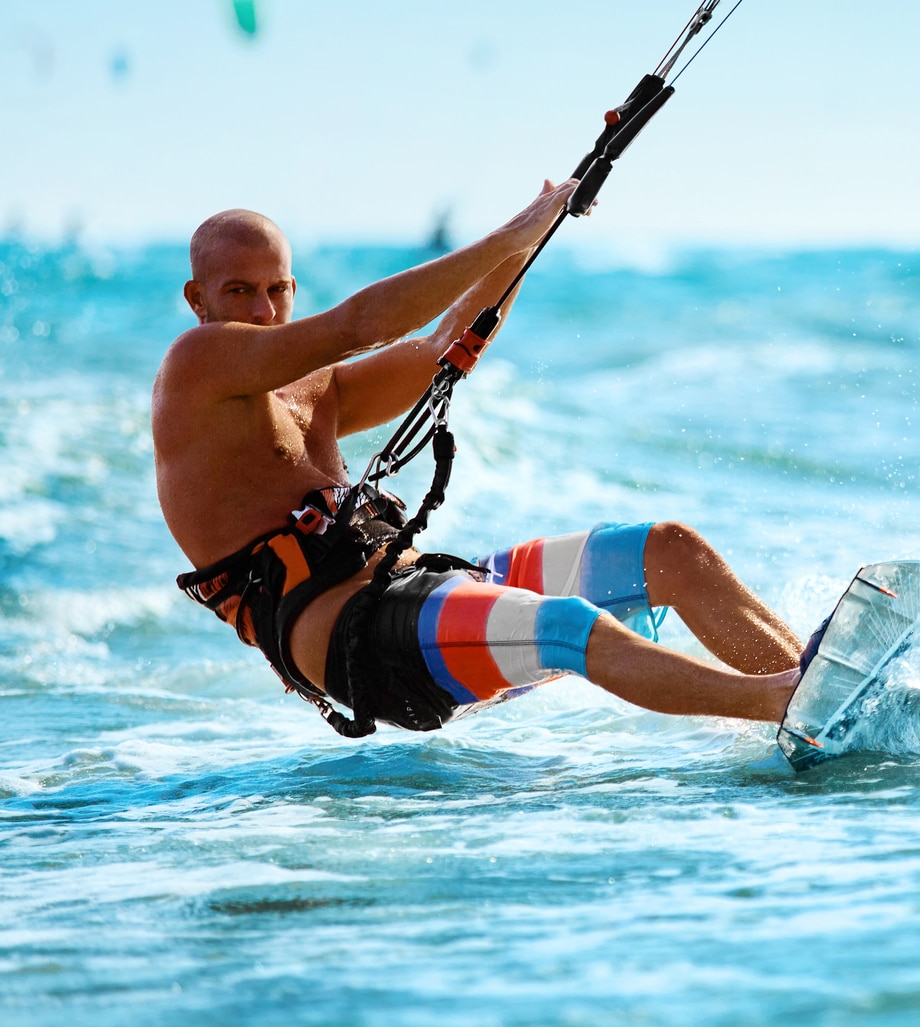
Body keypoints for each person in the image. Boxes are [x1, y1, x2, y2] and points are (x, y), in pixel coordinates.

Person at [152, 179, 803, 736]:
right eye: (239, 291)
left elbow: (445, 343)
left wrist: (539, 229)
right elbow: (360, 325)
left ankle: (814, 694)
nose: (264, 311)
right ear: (197, 298)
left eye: (279, 288)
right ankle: (783, 703)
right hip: (362, 641)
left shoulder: (315, 387)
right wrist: (513, 231)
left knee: (670, 550)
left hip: (424, 591)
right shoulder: (194, 366)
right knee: (567, 627)